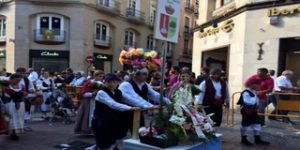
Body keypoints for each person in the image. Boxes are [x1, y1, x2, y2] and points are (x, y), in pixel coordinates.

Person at [92, 73, 139, 150]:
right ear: (104, 83)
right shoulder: (101, 93)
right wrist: (130, 108)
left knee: (113, 141)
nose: (112, 84)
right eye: (109, 82)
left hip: (112, 121)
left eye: (114, 82)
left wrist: (146, 105)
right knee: (104, 144)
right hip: (100, 121)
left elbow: (130, 99)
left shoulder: (118, 92)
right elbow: (113, 104)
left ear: (117, 82)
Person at [238, 78, 270, 146]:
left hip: (254, 111)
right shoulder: (246, 92)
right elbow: (248, 102)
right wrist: (256, 97)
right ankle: (243, 139)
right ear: (251, 84)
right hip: (247, 111)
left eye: (259, 84)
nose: (258, 86)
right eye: (257, 84)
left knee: (257, 124)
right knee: (245, 124)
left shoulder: (254, 91)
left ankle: (257, 139)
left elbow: (256, 101)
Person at [2, 74, 27, 140]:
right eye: (17, 80)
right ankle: (11, 132)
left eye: (19, 80)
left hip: (20, 104)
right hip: (10, 104)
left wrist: (20, 94)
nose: (18, 81)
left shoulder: (21, 85)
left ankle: (17, 132)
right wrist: (20, 93)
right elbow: (12, 93)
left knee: (19, 118)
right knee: (11, 118)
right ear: (12, 79)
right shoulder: (7, 86)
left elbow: (25, 93)